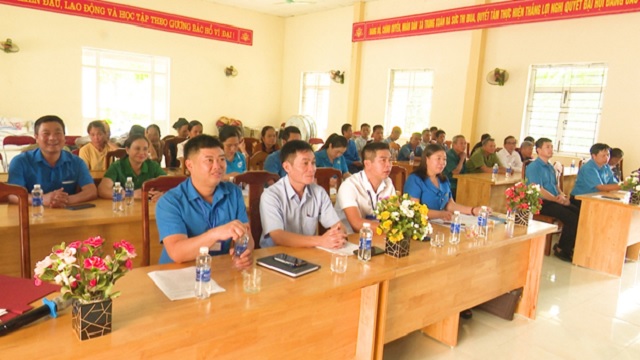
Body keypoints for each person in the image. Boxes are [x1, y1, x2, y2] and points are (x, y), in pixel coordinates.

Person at [155, 134, 253, 267]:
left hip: (219, 268)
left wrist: (242, 252)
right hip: (177, 272)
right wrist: (216, 234)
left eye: (222, 159)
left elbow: (246, 235)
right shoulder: (170, 201)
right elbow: (177, 252)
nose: (217, 166)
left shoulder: (233, 193)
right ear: (189, 165)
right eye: (209, 160)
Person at [259, 140, 346, 248]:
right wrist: (320, 241)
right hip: (276, 256)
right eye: (305, 163)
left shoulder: (318, 192)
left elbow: (338, 226)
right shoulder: (271, 195)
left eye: (313, 163)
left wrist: (337, 235)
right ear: (287, 167)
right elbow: (278, 237)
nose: (312, 169)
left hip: (308, 254)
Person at [8, 115, 97, 207]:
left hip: (67, 215)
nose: (52, 138)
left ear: (64, 137)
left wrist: (66, 200)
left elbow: (91, 191)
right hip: (33, 215)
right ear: (36, 138)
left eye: (58, 133)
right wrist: (41, 199)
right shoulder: (20, 162)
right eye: (46, 134)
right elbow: (13, 195)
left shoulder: (77, 162)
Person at [526, 138, 579, 262]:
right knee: (571, 218)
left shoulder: (550, 166)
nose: (551, 149)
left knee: (578, 211)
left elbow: (556, 186)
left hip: (554, 200)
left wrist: (563, 196)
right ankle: (562, 249)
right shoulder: (534, 167)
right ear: (538, 150)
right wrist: (556, 199)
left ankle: (570, 246)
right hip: (541, 202)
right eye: (547, 147)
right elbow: (538, 189)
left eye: (551, 146)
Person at [404, 144, 483, 220]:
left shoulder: (443, 180)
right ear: (427, 159)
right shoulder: (415, 179)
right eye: (438, 158)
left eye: (444, 159)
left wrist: (473, 210)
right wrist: (440, 214)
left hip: (441, 222)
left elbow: (450, 205)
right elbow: (414, 210)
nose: (442, 162)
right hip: (422, 226)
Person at [334, 142, 396, 234]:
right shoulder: (349, 185)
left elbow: (394, 216)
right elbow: (357, 225)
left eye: (390, 160)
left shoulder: (388, 183)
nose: (388, 165)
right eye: (383, 160)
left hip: (378, 237)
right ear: (367, 164)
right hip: (349, 240)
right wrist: (394, 229)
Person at [97, 134, 167, 201]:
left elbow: (170, 186)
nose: (142, 152)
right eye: (137, 148)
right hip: (124, 208)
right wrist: (130, 194)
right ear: (127, 150)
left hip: (149, 207)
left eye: (145, 149)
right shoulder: (117, 166)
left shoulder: (153, 165)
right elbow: (102, 190)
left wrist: (163, 194)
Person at [570, 143, 620, 208]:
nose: (606, 158)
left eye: (608, 155)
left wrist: (625, 186)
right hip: (581, 199)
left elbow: (613, 182)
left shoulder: (606, 166)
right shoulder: (589, 168)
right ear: (594, 156)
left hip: (597, 196)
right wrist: (623, 186)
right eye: (603, 156)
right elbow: (600, 187)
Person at [443, 135, 467, 199]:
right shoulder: (448, 155)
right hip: (450, 184)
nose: (464, 146)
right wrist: (462, 160)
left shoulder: (461, 154)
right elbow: (456, 172)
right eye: (461, 143)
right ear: (454, 145)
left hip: (460, 182)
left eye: (465, 143)